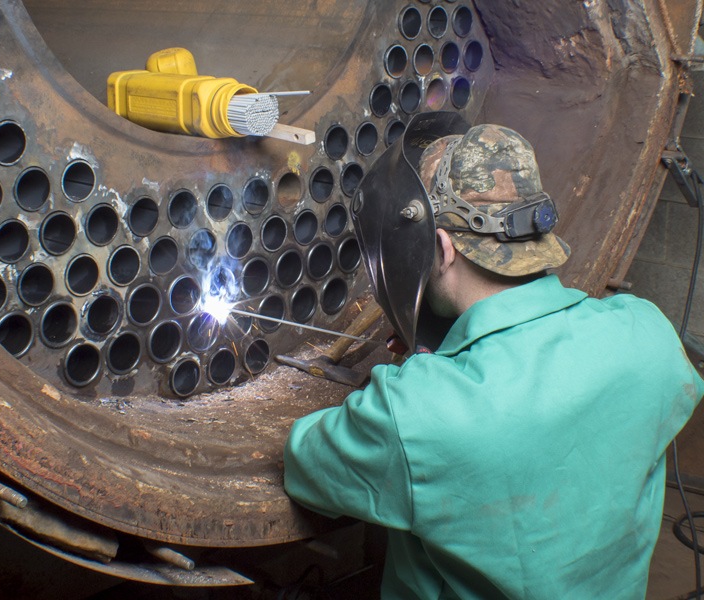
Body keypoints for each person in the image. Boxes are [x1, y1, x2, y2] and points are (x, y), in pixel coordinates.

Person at [283, 112, 704, 599]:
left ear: (441, 248)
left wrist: (416, 375)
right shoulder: (646, 333)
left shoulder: (416, 412)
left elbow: (307, 465)